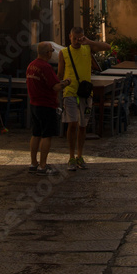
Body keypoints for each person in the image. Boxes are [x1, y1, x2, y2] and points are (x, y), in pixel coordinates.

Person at [58, 26, 110, 171]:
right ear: (70, 37)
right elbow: (60, 73)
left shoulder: (88, 49)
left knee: (82, 125)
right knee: (72, 123)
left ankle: (80, 155)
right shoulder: (64, 53)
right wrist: (58, 88)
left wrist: (89, 41)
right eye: (74, 38)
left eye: (79, 38)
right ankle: (71, 156)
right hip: (70, 91)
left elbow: (107, 46)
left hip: (85, 93)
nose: (76, 41)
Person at [26, 41, 71, 174]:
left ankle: (34, 163)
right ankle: (43, 165)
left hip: (34, 104)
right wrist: (67, 82)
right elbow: (56, 86)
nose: (52, 52)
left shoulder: (31, 66)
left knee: (36, 134)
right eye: (52, 50)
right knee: (47, 135)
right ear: (47, 53)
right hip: (46, 105)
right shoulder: (45, 67)